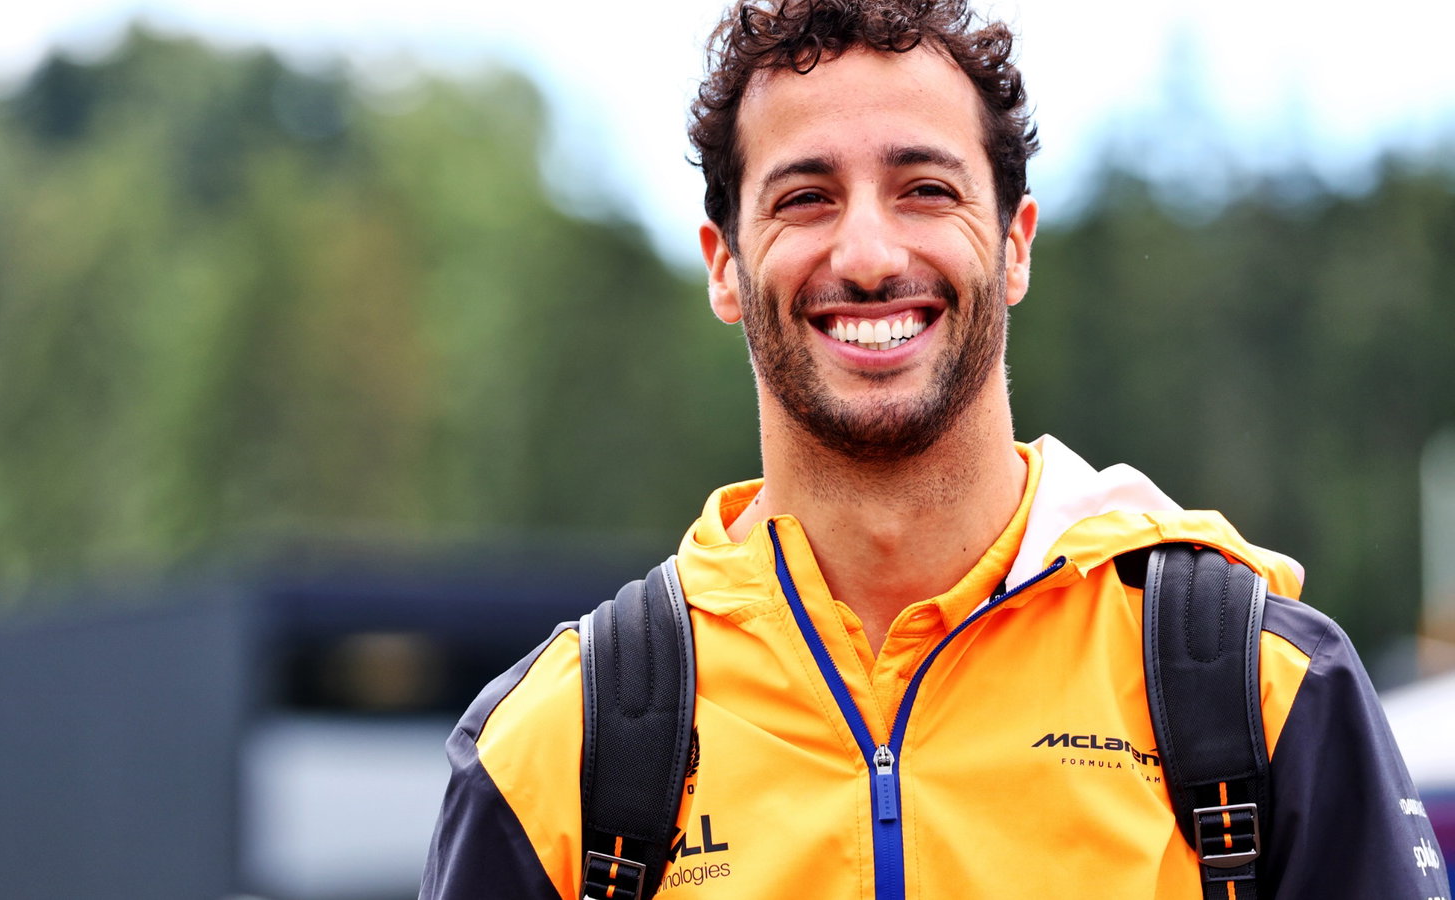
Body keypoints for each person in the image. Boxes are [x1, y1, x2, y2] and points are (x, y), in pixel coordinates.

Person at [419, 0, 1451, 897]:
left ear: (1013, 245)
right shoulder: (558, 748)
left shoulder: (1258, 690)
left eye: (924, 188)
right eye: (804, 197)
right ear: (724, 266)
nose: (868, 255)